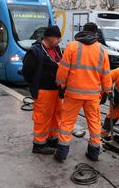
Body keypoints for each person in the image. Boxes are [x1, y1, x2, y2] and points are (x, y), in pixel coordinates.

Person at [55, 22, 112, 162]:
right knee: (94, 122)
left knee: (67, 123)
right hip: (92, 95)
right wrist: (107, 91)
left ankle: (62, 152)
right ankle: (94, 152)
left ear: (83, 31)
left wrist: (60, 85)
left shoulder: (72, 46)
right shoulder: (101, 50)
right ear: (96, 34)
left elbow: (63, 69)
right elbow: (106, 74)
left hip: (73, 94)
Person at [22, 26, 63, 155]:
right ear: (49, 37)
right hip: (43, 90)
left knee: (56, 114)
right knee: (42, 117)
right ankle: (39, 144)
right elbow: (27, 72)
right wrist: (35, 85)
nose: (59, 40)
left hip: (56, 90)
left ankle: (52, 138)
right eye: (57, 37)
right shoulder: (35, 51)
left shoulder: (56, 49)